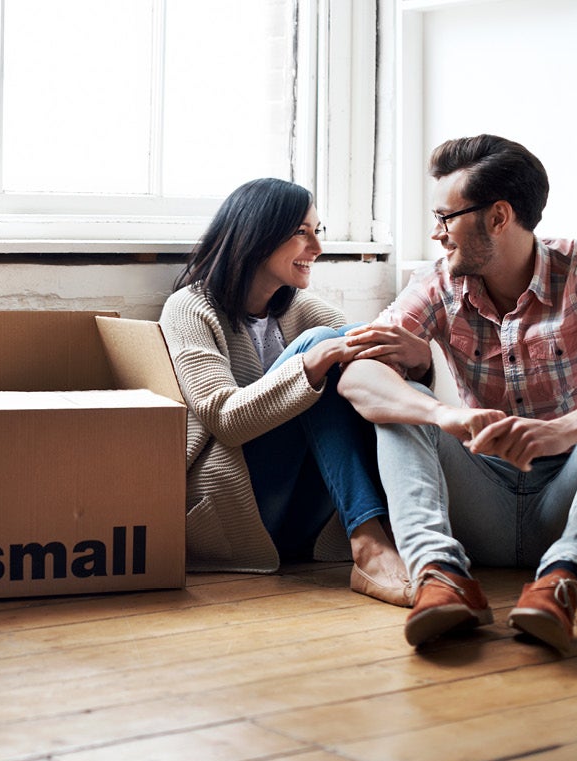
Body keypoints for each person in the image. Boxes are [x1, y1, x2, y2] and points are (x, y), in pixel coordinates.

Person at [337, 135, 577, 651]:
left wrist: (562, 431)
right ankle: (440, 579)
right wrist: (443, 415)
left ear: (499, 217)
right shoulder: (437, 282)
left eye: (446, 218)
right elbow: (355, 375)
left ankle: (565, 583)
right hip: (479, 502)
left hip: (572, 502)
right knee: (401, 402)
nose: (437, 234)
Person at [159, 177, 411, 606]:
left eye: (319, 231)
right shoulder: (190, 308)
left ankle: (404, 529)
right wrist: (310, 364)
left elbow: (359, 351)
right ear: (257, 235)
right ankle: (371, 543)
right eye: (302, 232)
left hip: (303, 518)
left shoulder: (299, 306)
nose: (317, 247)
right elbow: (226, 419)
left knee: (351, 342)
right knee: (321, 348)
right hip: (238, 509)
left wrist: (408, 356)